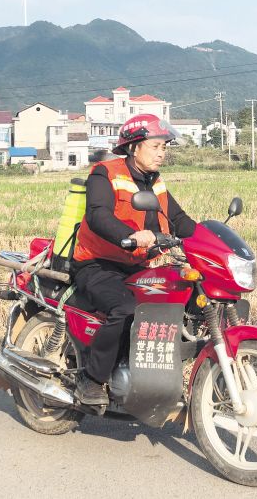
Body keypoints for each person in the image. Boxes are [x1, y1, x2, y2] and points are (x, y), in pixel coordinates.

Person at [70, 114, 196, 405]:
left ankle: (148, 379)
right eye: (155, 146)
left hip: (136, 266)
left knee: (179, 298)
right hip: (97, 263)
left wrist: (209, 240)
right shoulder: (105, 173)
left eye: (165, 147)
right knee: (127, 309)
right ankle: (91, 378)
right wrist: (132, 235)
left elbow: (178, 220)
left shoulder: (156, 183)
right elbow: (98, 215)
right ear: (134, 147)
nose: (162, 153)